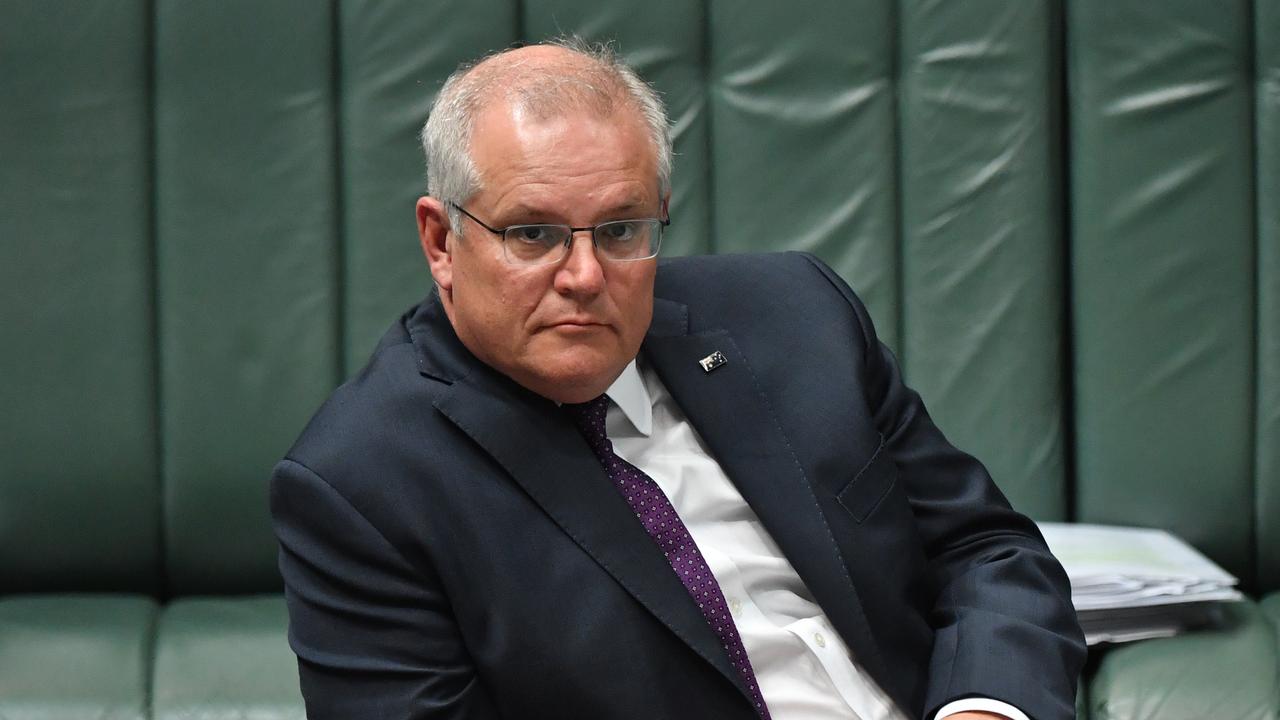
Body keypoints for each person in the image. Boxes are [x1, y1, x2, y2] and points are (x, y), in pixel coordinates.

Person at [270, 38, 1085, 720]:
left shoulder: (796, 315)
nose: (585, 275)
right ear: (442, 242)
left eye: (622, 229)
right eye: (533, 234)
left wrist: (986, 708)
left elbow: (985, 548)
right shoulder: (362, 482)